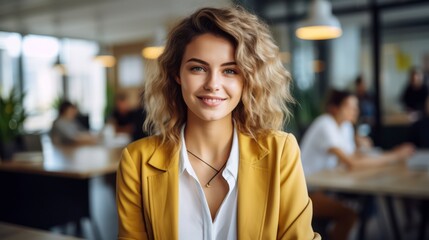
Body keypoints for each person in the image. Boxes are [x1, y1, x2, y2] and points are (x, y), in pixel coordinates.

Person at [116, 6, 320, 240]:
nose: (213, 84)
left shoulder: (280, 152)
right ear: (177, 74)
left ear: (248, 78)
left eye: (230, 71)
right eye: (198, 68)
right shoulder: (137, 162)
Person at [300, 89, 414, 240]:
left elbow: (353, 156)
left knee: (362, 203)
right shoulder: (325, 124)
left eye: (356, 106)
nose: (356, 111)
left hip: (327, 186)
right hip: (307, 192)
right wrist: (394, 156)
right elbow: (352, 163)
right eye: (350, 107)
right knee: (348, 214)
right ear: (334, 108)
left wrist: (383, 152)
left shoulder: (345, 126)